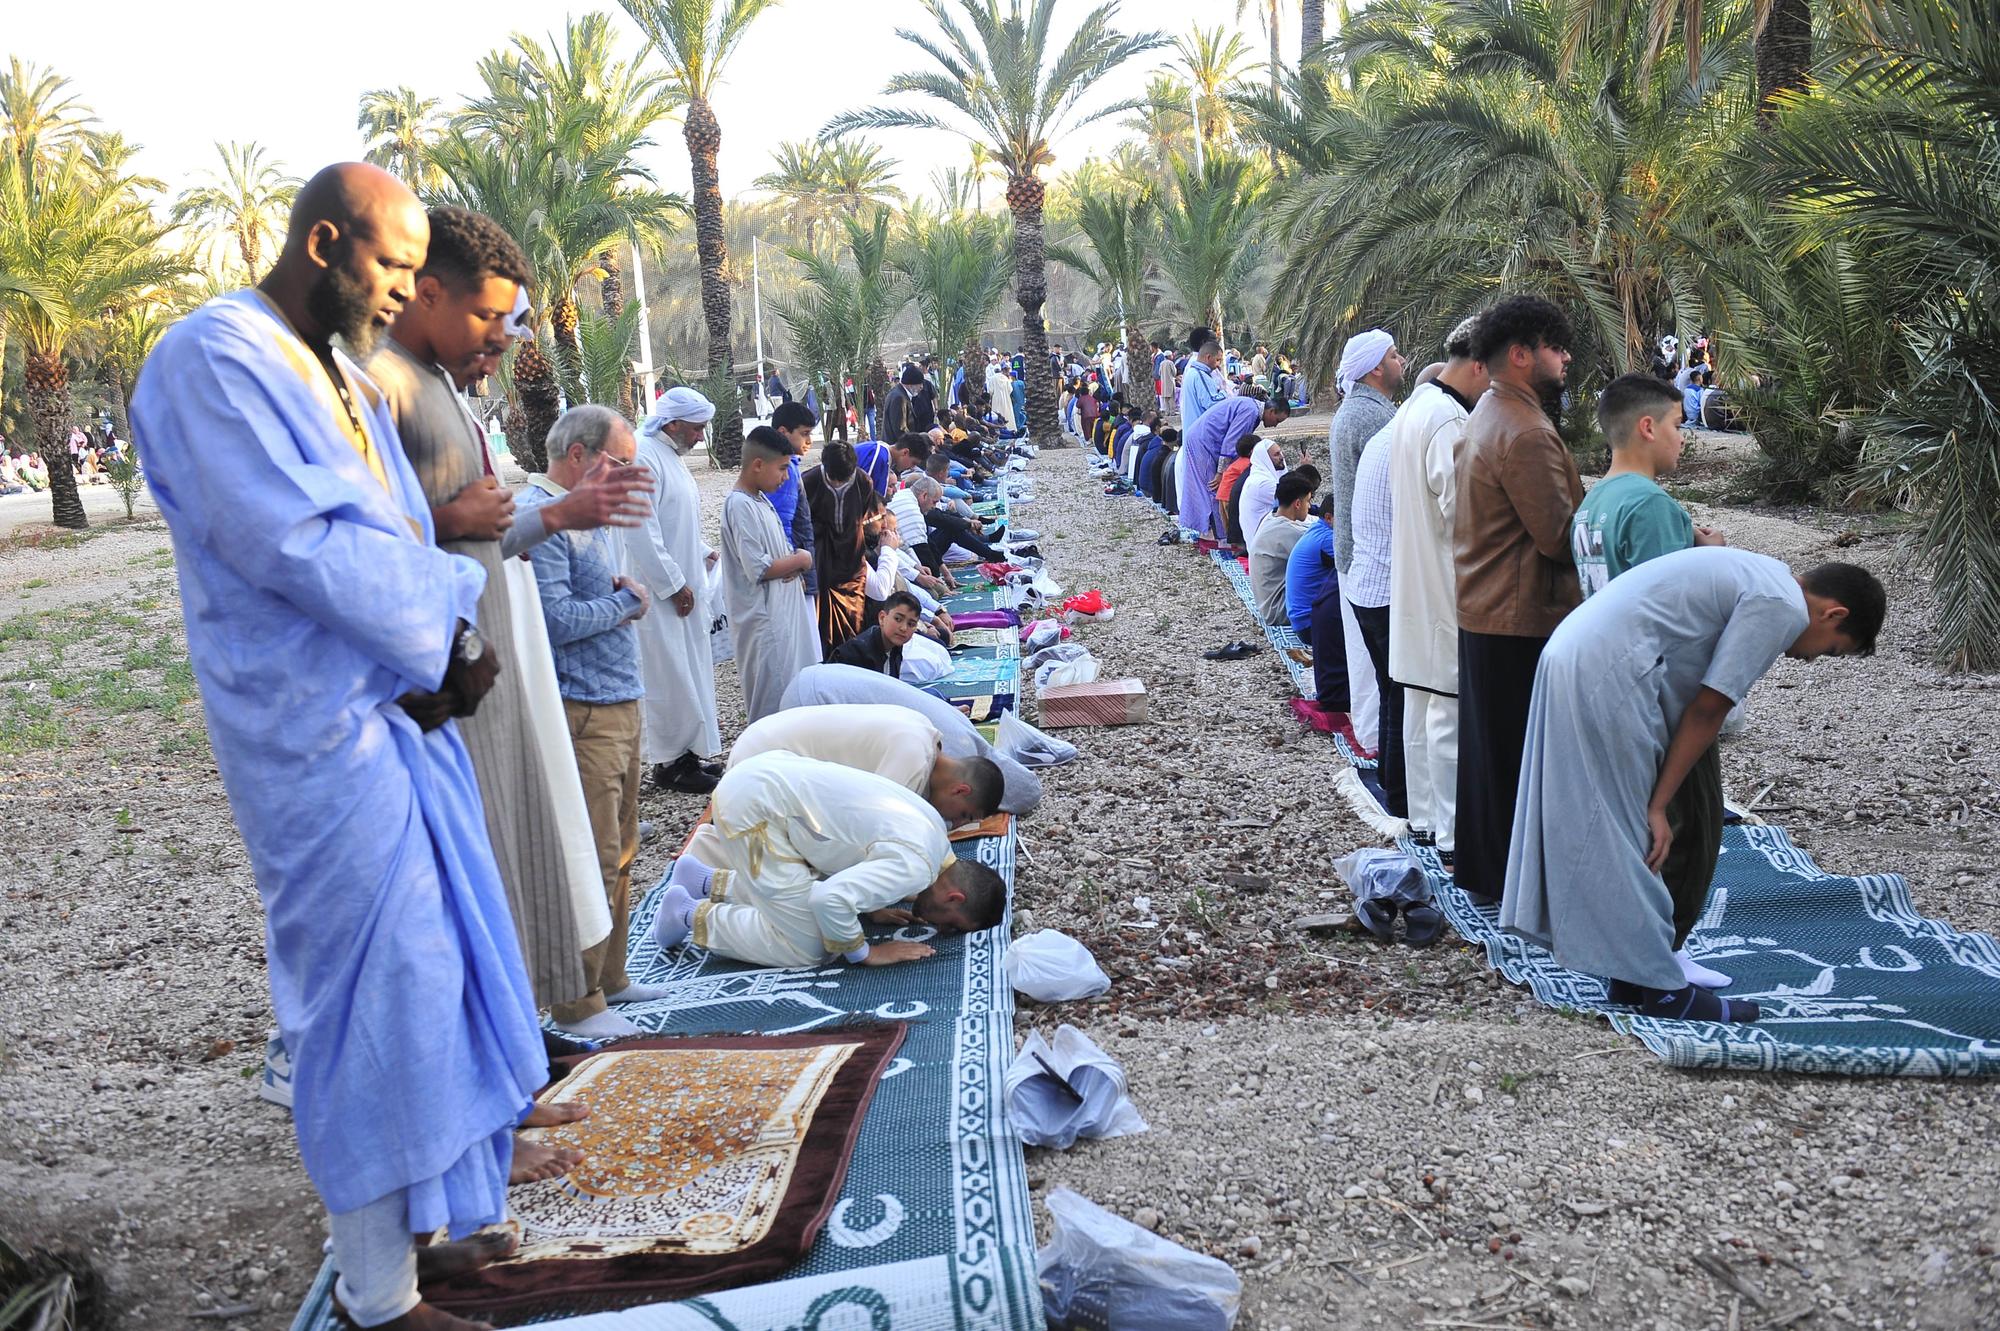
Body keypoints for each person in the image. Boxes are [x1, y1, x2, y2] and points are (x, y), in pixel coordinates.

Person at [131, 162, 542, 1331]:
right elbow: (302, 544)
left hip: (394, 715)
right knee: (377, 990)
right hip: (313, 729)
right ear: (322, 245)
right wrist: (440, 638)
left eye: (416, 275)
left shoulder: (337, 369)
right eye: (392, 268)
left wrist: (437, 653)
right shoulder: (217, 358)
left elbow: (390, 525)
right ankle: (379, 1294)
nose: (400, 294)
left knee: (445, 967)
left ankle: (433, 1224)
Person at [367, 205, 647, 1021]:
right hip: (437, 675)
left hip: (487, 668)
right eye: (488, 315)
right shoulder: (384, 385)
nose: (504, 337)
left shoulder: (444, 389)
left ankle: (535, 1019)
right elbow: (351, 530)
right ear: (424, 292)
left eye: (509, 320)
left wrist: (550, 518)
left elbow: (491, 535)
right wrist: (451, 523)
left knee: (530, 846)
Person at [1502, 551, 1885, 1022]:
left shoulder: (1764, 572)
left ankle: (1631, 974)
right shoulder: (1781, 605)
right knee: (1632, 832)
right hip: (1608, 671)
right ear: (1834, 614)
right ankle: (1663, 991)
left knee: (1608, 820)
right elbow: (1709, 708)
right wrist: (1661, 804)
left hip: (1577, 654)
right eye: (1830, 648)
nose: (1811, 658)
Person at [515, 406, 671, 1041]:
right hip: (584, 707)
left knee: (624, 847)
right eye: (618, 460)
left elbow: (587, 596)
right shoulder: (543, 516)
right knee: (592, 855)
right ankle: (576, 1003)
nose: (626, 473)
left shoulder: (584, 511)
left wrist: (616, 593)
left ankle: (611, 977)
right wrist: (626, 601)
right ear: (577, 455)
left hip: (618, 698)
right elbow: (553, 619)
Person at [1453, 295, 1582, 902]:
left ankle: (1490, 877)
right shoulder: (1525, 429)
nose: (1566, 359)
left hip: (1490, 608)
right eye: (1557, 348)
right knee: (1517, 761)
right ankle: (1520, 888)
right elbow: (1558, 535)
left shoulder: (1489, 410)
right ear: (1523, 355)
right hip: (1520, 614)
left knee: (1490, 758)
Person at [651, 752, 1009, 969]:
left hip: (763, 779)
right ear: (954, 898)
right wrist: (865, 953)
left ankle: (705, 881)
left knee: (809, 894)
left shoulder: (934, 835)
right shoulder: (917, 865)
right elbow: (829, 899)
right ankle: (688, 915)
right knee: (811, 946)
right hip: (753, 811)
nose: (939, 930)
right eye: (952, 926)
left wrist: (871, 905)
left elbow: (851, 856)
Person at [1387, 316, 1488, 863]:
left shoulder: (1413, 408)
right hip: (1444, 586)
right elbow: (1464, 515)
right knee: (1446, 711)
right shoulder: (1449, 419)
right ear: (1478, 365)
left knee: (1420, 706)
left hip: (1412, 584)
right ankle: (1451, 834)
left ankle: (1424, 818)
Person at [628, 386, 729, 795]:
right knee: (667, 675)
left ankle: (690, 753)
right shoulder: (642, 454)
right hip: (659, 593)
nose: (701, 437)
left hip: (685, 582)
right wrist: (673, 584)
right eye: (697, 429)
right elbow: (640, 529)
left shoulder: (668, 454)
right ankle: (669, 763)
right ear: (672, 423)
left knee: (688, 670)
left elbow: (677, 520)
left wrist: (702, 553)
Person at [1573, 373, 1727, 599]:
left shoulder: (1590, 502)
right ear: (1648, 428)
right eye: (1676, 425)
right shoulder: (1649, 504)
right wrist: (1711, 557)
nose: (1681, 438)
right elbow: (1671, 604)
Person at [726, 702, 1004, 827]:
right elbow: (863, 833)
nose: (953, 823)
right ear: (961, 790)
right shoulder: (913, 767)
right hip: (756, 768)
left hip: (761, 739)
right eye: (964, 816)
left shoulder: (924, 731)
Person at [1329, 328, 1406, 756]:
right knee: (1374, 663)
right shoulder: (1372, 416)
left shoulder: (1360, 409)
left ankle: (1373, 734)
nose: (1401, 362)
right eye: (1394, 356)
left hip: (1355, 549)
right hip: (1368, 554)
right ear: (1376, 367)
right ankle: (1376, 740)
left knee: (1365, 657)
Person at [721, 425, 819, 721]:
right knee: (772, 705)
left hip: (782, 616)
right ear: (758, 465)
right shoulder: (740, 505)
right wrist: (802, 560)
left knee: (792, 695)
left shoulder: (760, 499)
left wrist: (792, 562)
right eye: (782, 469)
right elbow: (759, 568)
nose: (786, 477)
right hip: (766, 624)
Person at [1345, 418, 1407, 818]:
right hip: (1384, 591)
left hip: (1365, 588)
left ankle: (1389, 778)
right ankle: (1401, 796)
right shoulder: (1394, 436)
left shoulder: (1382, 437)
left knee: (1391, 690)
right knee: (1402, 693)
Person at [803, 439, 887, 656]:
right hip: (822, 561)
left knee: (853, 620)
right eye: (834, 479)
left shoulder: (863, 481)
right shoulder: (809, 481)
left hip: (852, 561)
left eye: (844, 479)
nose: (839, 484)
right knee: (822, 623)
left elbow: (869, 521)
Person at [1176, 391, 1292, 541]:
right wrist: (1220, 473)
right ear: (1271, 411)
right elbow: (1231, 443)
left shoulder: (1251, 408)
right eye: (1277, 420)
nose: (1275, 425)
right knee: (1212, 488)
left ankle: (1212, 533)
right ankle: (1216, 536)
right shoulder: (1250, 411)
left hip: (1205, 441)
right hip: (1202, 443)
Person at [765, 400, 820, 599]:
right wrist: (791, 564)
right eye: (804, 433)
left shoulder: (789, 466)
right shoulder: (785, 471)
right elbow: (781, 522)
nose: (810, 440)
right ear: (783, 432)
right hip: (793, 565)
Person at [1249, 470, 1315, 626]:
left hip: (1267, 603)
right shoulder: (1286, 532)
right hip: (1278, 610)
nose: (1310, 506)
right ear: (1297, 504)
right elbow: (1320, 546)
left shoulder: (1271, 518)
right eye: (1308, 501)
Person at [829, 588, 922, 675]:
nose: (903, 628)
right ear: (882, 618)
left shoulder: (896, 646)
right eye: (898, 619)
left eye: (911, 624)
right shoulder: (856, 653)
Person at [1238, 434, 1292, 548]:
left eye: (1280, 452)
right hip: (1262, 547)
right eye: (1276, 454)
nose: (1282, 457)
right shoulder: (1262, 483)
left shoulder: (1261, 476)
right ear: (1265, 460)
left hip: (1266, 537)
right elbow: (1293, 502)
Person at [1179, 329, 1230, 427]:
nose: (1217, 342)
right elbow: (1212, 402)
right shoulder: (1200, 372)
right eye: (1214, 339)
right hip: (1201, 429)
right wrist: (1225, 392)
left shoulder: (1198, 368)